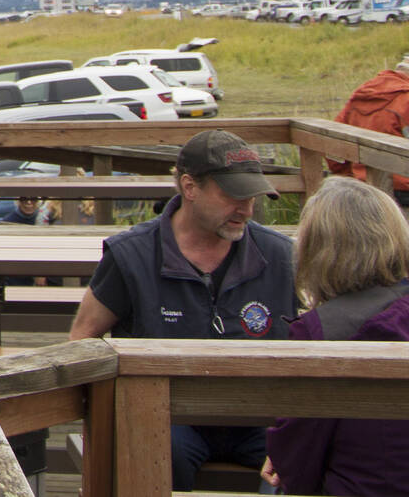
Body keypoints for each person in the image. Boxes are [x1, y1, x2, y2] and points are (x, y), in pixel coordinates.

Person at [68, 129, 296, 493]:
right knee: (156, 453)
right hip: (167, 418)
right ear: (190, 187)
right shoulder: (132, 255)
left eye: (252, 196)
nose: (247, 208)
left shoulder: (282, 256)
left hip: (260, 418)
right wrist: (104, 422)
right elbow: (81, 340)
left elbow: (323, 333)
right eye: (233, 194)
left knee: (303, 458)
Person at [262, 177, 409, 496]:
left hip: (365, 489)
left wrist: (281, 460)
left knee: (270, 483)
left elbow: (297, 461)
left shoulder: (322, 332)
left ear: (319, 250)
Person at [325, 56, 409, 209]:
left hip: (363, 190)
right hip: (403, 192)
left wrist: (350, 177)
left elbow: (333, 147)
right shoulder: (405, 100)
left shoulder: (362, 94)